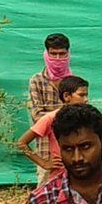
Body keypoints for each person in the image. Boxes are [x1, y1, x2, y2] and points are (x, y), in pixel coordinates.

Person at [17, 75, 89, 184]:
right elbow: (22, 143)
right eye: (81, 95)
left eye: (86, 95)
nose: (86, 99)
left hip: (83, 175)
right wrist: (43, 163)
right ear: (66, 96)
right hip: (59, 178)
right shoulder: (51, 118)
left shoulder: (87, 118)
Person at [28, 33, 72, 185]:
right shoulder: (36, 81)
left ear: (68, 54)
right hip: (47, 153)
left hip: (72, 151)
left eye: (62, 54)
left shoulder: (74, 82)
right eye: (54, 54)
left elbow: (80, 114)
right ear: (46, 54)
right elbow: (37, 116)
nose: (58, 59)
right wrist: (66, 113)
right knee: (44, 192)